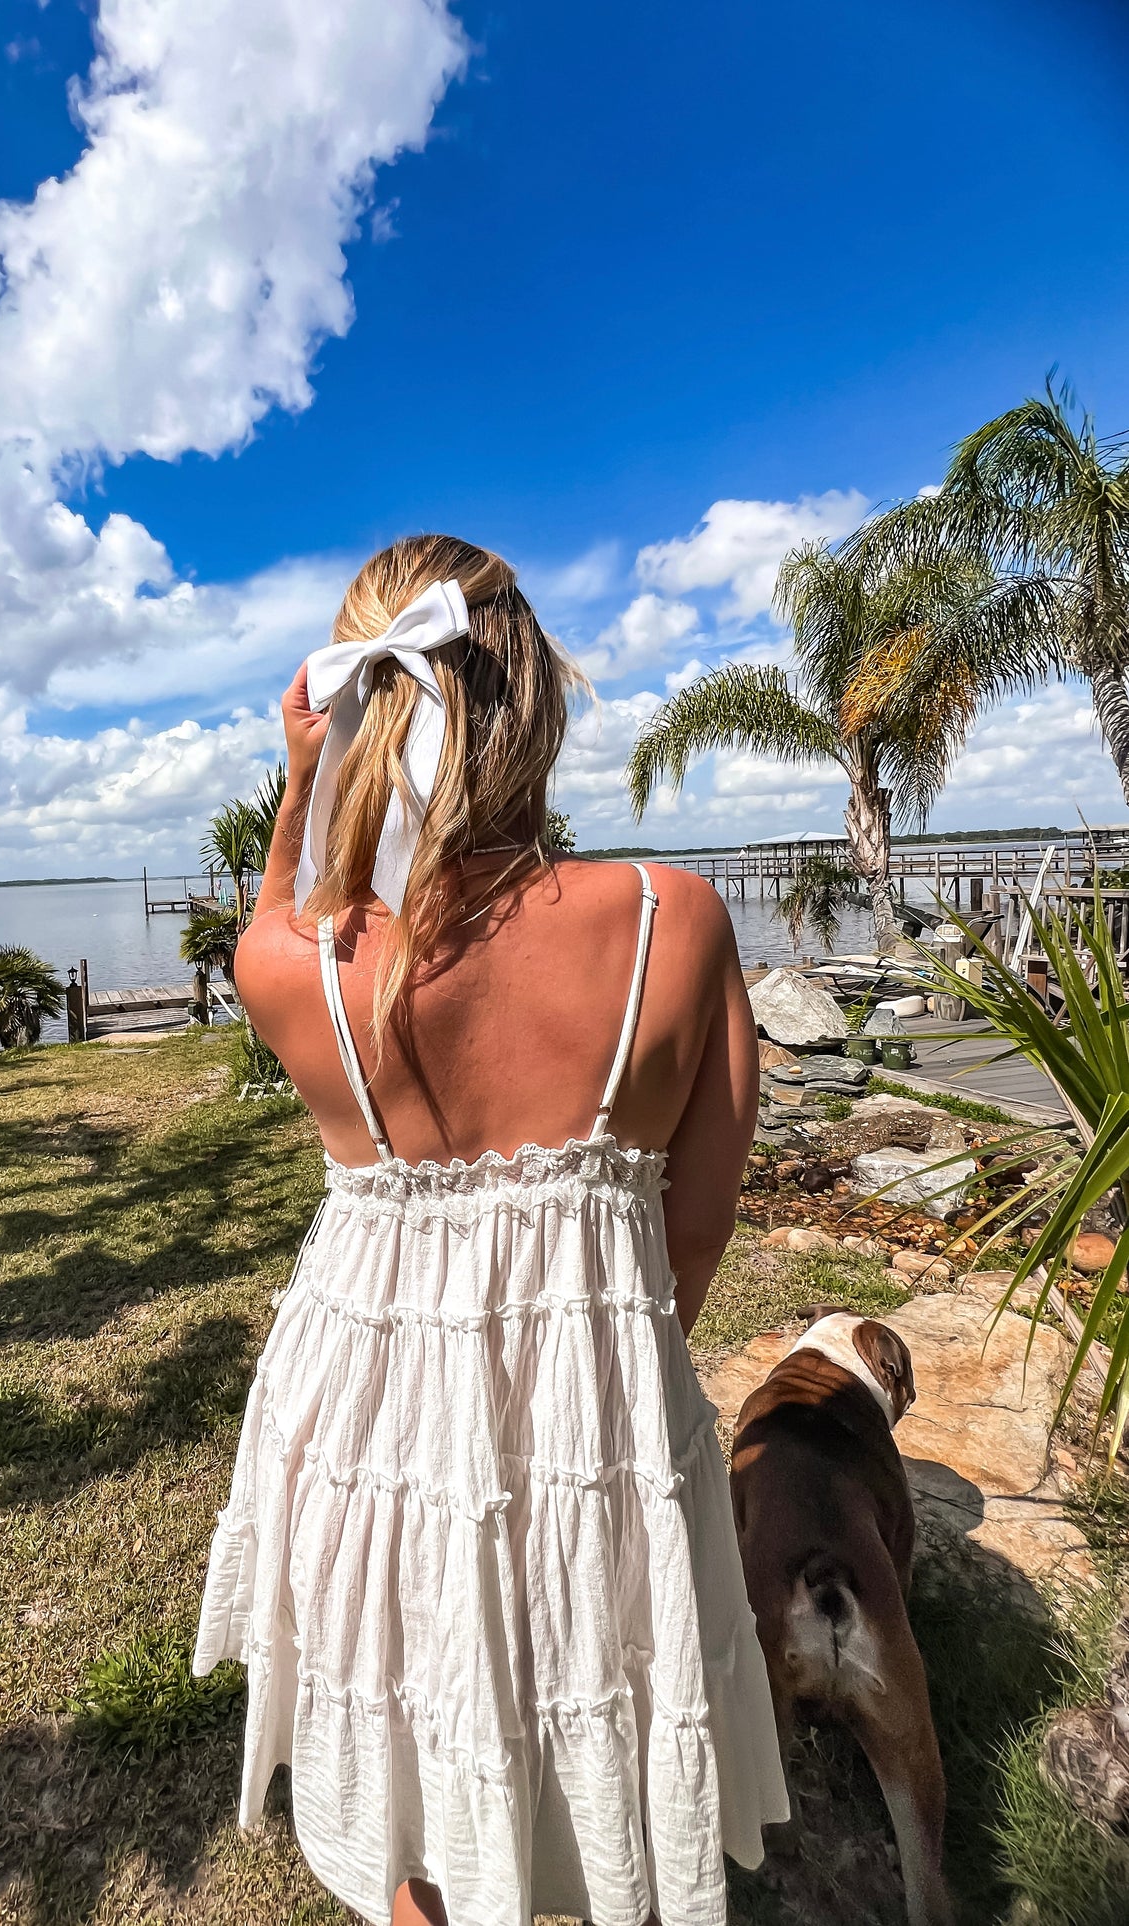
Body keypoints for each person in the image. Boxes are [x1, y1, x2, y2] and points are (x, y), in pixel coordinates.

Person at [194, 535, 788, 1926]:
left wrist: (302, 783)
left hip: (357, 1425)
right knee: (581, 1731)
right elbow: (689, 1238)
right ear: (532, 698)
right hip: (592, 1423)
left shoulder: (292, 968)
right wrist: (600, 1382)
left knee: (410, 1756)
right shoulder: (670, 921)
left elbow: (277, 912)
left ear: (354, 714)